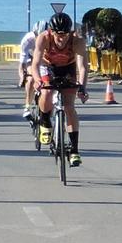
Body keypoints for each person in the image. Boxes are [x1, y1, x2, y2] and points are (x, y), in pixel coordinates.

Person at [33, 11, 87, 166]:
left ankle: (74, 150)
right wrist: (37, 81)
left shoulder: (78, 41)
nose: (61, 39)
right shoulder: (43, 38)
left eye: (65, 35)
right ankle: (45, 122)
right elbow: (35, 64)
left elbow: (82, 67)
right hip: (47, 66)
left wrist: (82, 87)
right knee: (47, 91)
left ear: (70, 32)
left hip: (68, 68)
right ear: (51, 32)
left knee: (69, 107)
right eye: (58, 35)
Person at [18, 22, 41, 121]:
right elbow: (22, 64)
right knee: (31, 78)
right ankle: (27, 105)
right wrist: (22, 77)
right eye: (37, 36)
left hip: (44, 58)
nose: (39, 38)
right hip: (30, 58)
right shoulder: (27, 40)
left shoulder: (50, 38)